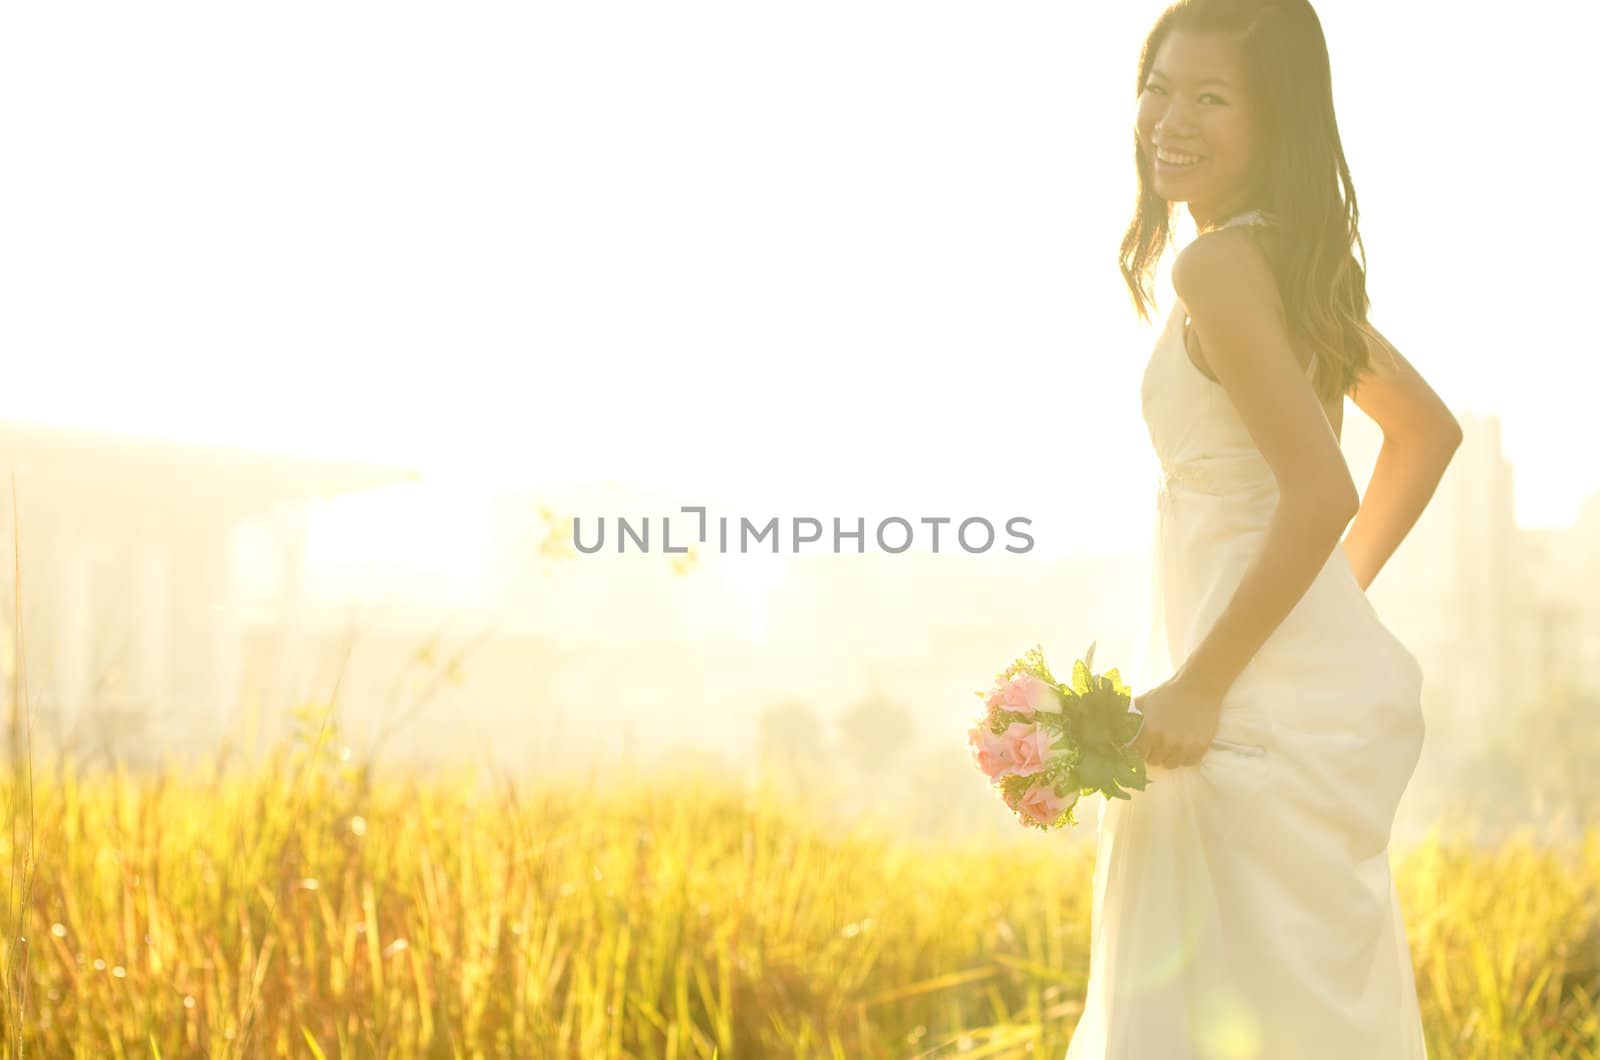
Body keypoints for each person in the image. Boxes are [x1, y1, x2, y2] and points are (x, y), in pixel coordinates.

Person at [1064, 2, 1463, 1056]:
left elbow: (1323, 488)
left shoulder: (1218, 271)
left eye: (1211, 96)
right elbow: (1422, 435)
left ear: (1274, 120)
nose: (1169, 117)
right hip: (1261, 674)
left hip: (1231, 693)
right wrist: (1324, 612)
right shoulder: (1275, 261)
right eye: (1157, 84)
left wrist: (1206, 678)